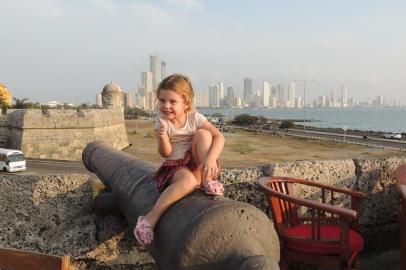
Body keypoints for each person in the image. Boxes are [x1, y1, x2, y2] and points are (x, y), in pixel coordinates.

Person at [134, 74, 225, 246]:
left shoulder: (195, 118)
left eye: (172, 102)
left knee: (204, 134)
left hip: (199, 163)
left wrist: (211, 159)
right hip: (176, 167)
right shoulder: (162, 123)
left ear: (186, 103)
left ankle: (207, 180)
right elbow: (166, 153)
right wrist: (163, 138)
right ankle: (149, 219)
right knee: (188, 181)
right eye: (162, 101)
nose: (166, 106)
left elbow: (219, 137)